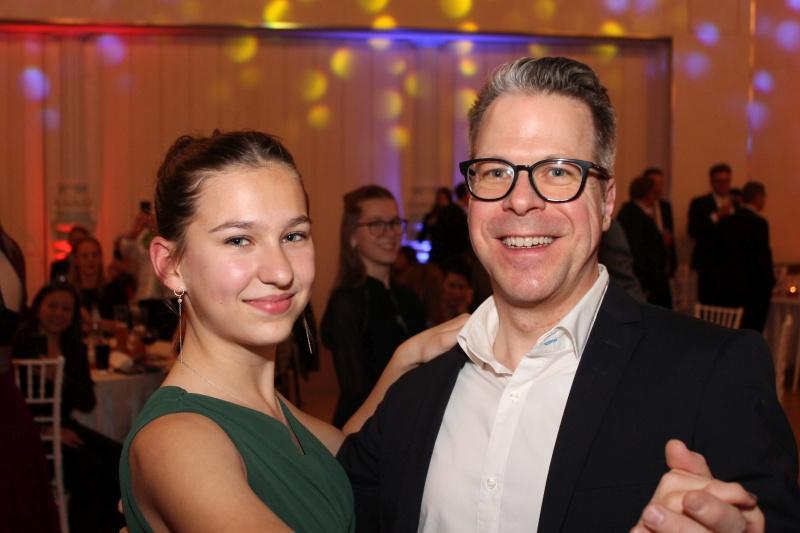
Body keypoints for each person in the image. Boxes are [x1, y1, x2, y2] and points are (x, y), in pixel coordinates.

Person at [337, 57, 799, 532]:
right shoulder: (417, 390)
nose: (520, 200)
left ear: (606, 202)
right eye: (495, 172)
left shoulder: (711, 373)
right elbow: (325, 504)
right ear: (471, 198)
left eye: (558, 171)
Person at [119, 131, 465, 532]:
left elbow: (351, 460)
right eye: (239, 240)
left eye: (293, 236)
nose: (281, 271)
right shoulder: (178, 441)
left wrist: (407, 357)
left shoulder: (272, 410)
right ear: (170, 265)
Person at [14, 281, 123, 532]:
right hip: (29, 433)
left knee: (119, 456)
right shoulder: (21, 345)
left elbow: (87, 401)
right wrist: (46, 430)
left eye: (66, 309)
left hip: (63, 425)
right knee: (89, 465)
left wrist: (60, 379)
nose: (58, 313)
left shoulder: (74, 347)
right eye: (52, 306)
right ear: (38, 308)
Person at [321, 185, 426, 427]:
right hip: (366, 429)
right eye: (376, 224)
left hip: (408, 419)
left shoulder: (408, 296)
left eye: (395, 223)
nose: (390, 233)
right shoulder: (346, 302)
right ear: (352, 236)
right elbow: (355, 390)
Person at [714, 181, 775, 332]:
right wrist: (770, 282)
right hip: (754, 289)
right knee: (752, 330)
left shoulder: (727, 221)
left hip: (729, 287)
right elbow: (762, 257)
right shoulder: (759, 223)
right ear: (758, 197)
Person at [617, 175, 672, 308]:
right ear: (647, 193)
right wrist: (645, 285)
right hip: (646, 280)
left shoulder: (636, 212)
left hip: (650, 278)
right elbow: (638, 251)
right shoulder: (633, 215)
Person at [688, 163, 734, 304]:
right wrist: (716, 216)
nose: (723, 185)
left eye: (726, 181)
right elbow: (693, 230)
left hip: (732, 266)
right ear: (712, 182)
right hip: (709, 265)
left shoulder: (736, 203)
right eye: (719, 181)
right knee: (709, 303)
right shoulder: (700, 203)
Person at [418, 186, 470, 265]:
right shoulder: (433, 216)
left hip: (452, 254)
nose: (442, 201)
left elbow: (460, 234)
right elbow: (421, 237)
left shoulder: (455, 213)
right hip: (438, 253)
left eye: (444, 198)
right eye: (440, 198)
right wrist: (428, 224)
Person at [643, 167, 677, 278]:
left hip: (663, 262)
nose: (658, 188)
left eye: (661, 183)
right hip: (646, 264)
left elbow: (670, 233)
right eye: (654, 183)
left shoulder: (665, 206)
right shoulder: (638, 208)